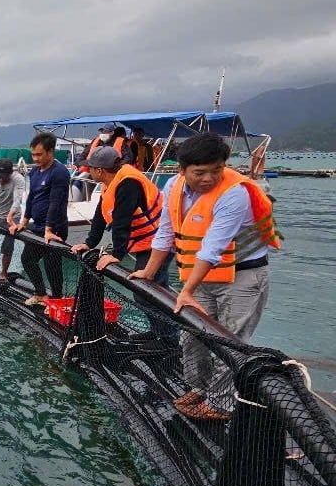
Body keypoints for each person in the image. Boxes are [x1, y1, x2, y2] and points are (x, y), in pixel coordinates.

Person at [129, 132, 281, 420]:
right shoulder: (172, 186)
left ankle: (221, 404)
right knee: (192, 335)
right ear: (182, 170)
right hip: (201, 277)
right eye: (199, 173)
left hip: (243, 276)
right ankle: (199, 388)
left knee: (230, 342)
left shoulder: (235, 193)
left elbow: (212, 248)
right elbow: (165, 232)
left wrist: (186, 291)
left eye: (216, 170)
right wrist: (148, 271)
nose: (209, 178)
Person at [69, 145, 175, 339]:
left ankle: (168, 339)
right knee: (146, 293)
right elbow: (100, 215)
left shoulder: (128, 183)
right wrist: (89, 243)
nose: (87, 170)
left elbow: (121, 220)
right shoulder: (110, 182)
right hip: (146, 244)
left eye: (89, 167)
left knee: (148, 292)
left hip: (158, 243)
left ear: (99, 170)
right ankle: (158, 333)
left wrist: (117, 255)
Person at [14, 132, 71, 306]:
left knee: (52, 264)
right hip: (38, 226)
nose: (35, 158)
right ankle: (40, 294)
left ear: (50, 151)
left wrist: (49, 229)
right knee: (27, 259)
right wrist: (24, 221)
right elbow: (31, 198)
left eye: (39, 154)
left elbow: (55, 202)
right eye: (33, 154)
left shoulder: (59, 172)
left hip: (55, 228)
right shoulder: (35, 172)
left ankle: (57, 300)